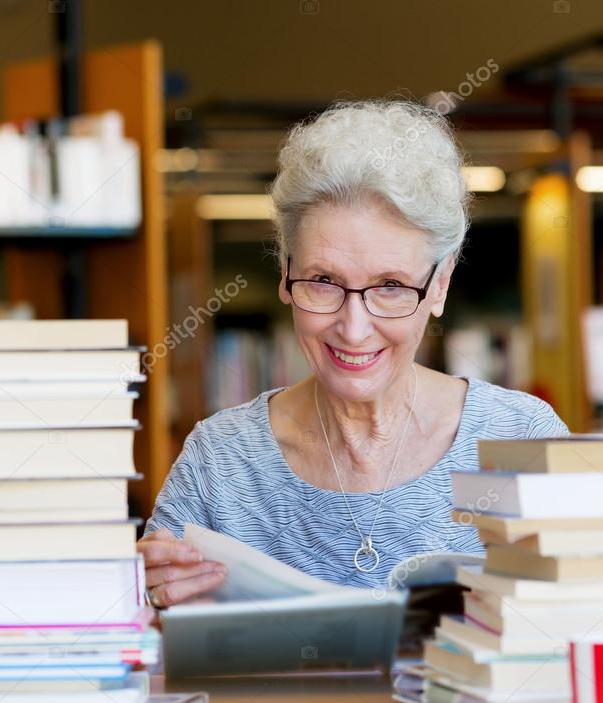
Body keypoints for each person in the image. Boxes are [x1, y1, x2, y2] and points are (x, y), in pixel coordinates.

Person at [139, 99, 570, 608]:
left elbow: (593, 627)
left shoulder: (519, 439)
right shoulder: (222, 461)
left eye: (390, 286)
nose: (354, 327)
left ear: (440, 287)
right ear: (285, 273)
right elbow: (153, 650)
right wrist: (149, 595)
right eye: (323, 282)